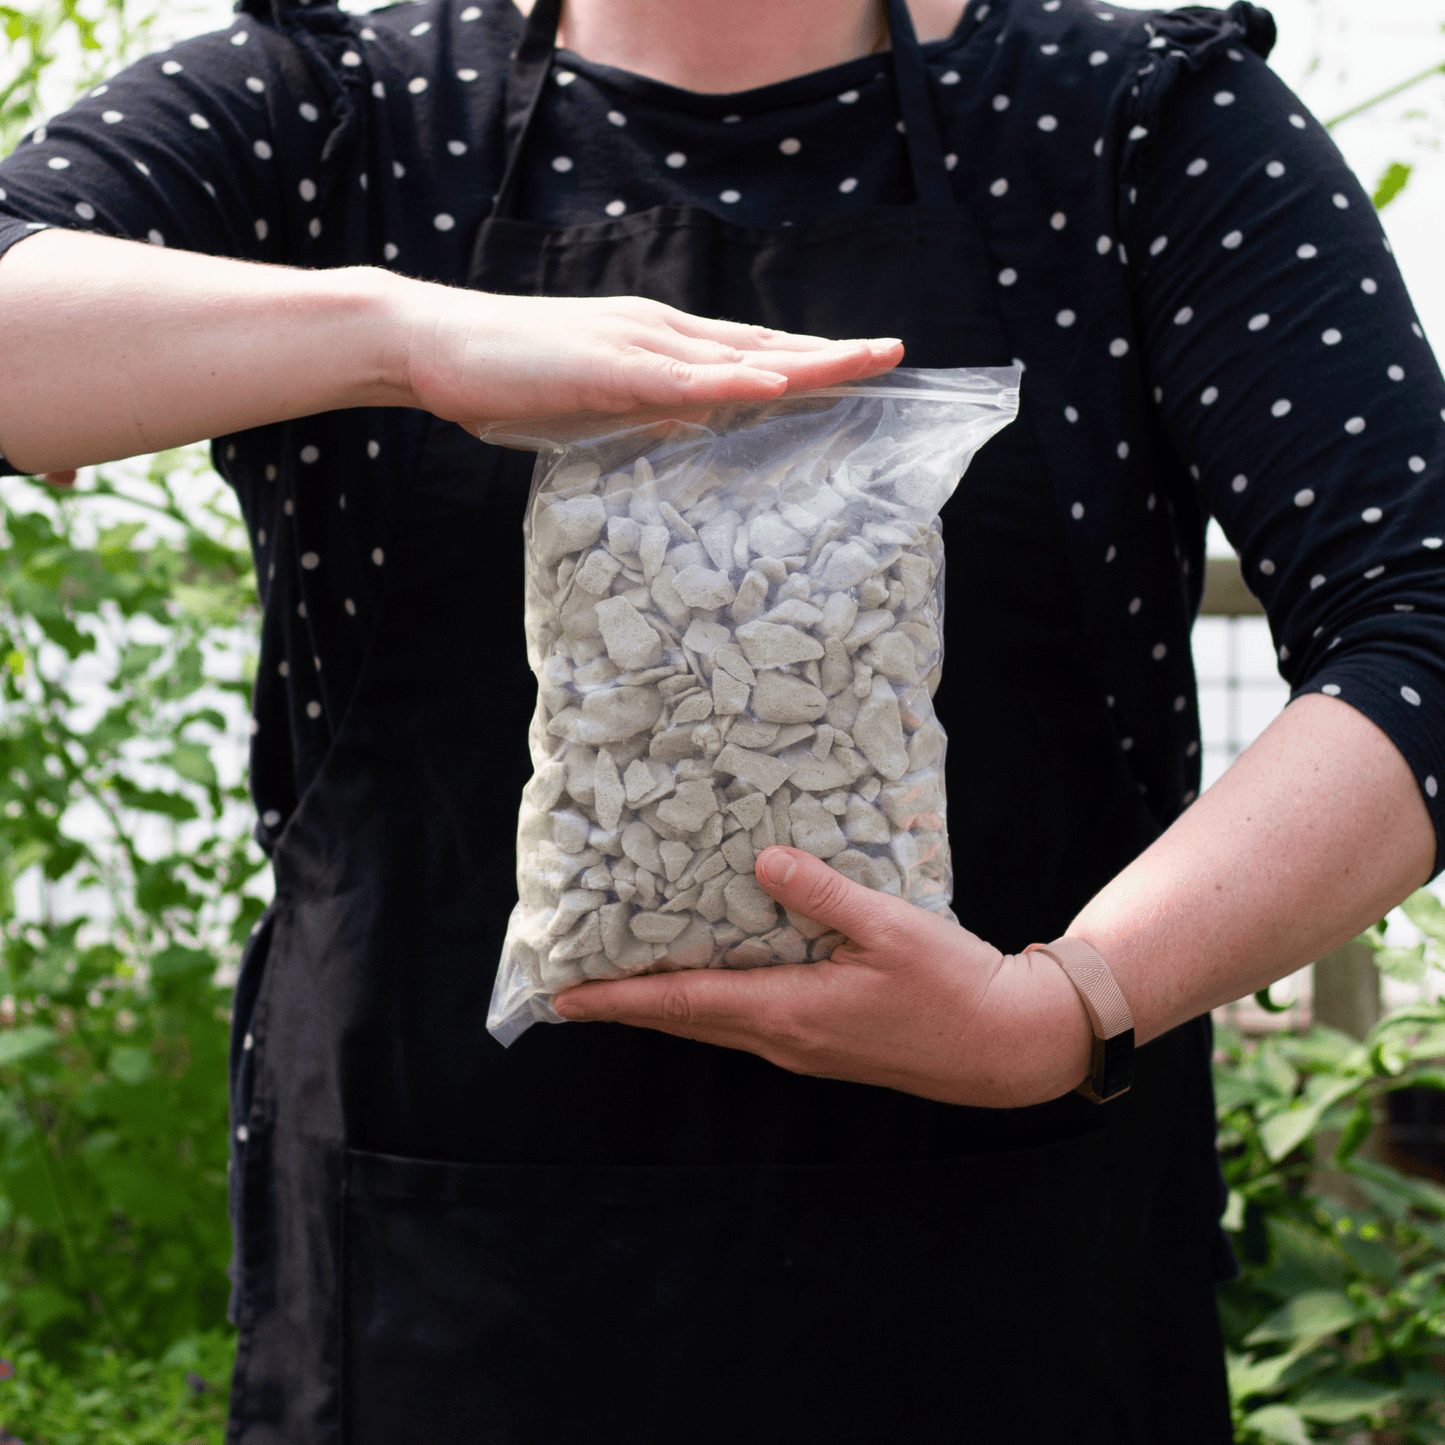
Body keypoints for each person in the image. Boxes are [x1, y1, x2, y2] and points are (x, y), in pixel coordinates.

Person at [0, 0, 1441, 1437]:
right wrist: (403, 334)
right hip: (431, 1299)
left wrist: (1071, 1005)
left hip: (1004, 1303)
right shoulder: (333, 119)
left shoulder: (1134, 124)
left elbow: (1421, 627)